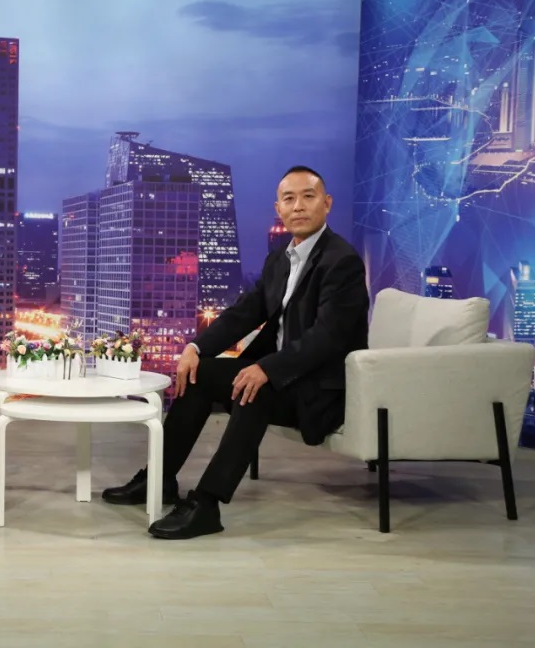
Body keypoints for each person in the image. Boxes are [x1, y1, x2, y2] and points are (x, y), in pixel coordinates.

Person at [102, 165, 369, 539]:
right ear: (278, 208)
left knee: (253, 389)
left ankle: (207, 504)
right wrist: (196, 347)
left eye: (308, 197)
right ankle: (159, 479)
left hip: (318, 389)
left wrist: (267, 368)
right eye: (289, 199)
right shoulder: (280, 259)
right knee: (200, 373)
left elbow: (328, 337)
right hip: (283, 377)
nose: (298, 206)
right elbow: (245, 311)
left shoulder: (342, 261)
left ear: (326, 204)